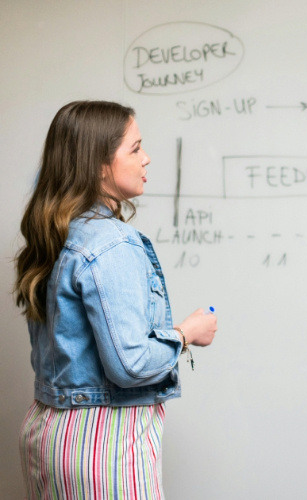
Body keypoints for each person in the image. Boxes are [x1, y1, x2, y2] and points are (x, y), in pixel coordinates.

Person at [14, 100, 218, 498]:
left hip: (47, 433)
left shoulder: (57, 233)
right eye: (135, 148)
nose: (147, 158)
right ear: (99, 164)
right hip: (102, 442)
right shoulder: (111, 242)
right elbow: (131, 364)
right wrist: (186, 333)